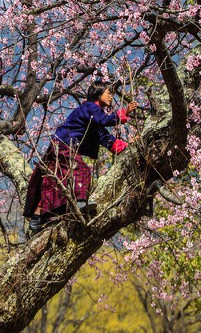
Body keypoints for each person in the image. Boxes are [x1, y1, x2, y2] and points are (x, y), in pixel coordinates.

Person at [23, 83, 138, 234]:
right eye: (108, 92)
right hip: (64, 143)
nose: (111, 96)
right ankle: (81, 202)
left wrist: (129, 144)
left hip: (63, 145)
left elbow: (107, 139)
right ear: (98, 93)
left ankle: (39, 216)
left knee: (54, 183)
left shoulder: (94, 120)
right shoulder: (90, 107)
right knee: (81, 170)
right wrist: (124, 113)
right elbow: (104, 120)